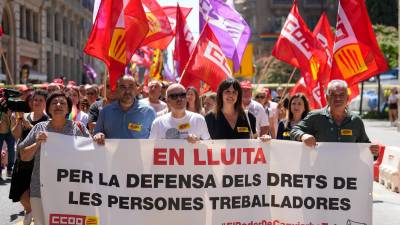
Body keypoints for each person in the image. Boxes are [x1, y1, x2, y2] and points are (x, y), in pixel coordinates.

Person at [18, 91, 90, 225]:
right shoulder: (40, 128)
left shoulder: (78, 128)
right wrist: (37, 144)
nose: (58, 105)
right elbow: (23, 156)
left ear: (68, 108)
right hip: (40, 190)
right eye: (54, 103)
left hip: (70, 191)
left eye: (62, 103)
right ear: (49, 108)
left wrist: (98, 139)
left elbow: (93, 155)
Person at [290, 80, 379, 154]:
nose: (338, 98)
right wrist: (303, 136)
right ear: (327, 98)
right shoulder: (315, 117)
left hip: (347, 173)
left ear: (347, 98)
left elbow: (365, 146)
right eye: (333, 95)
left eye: (341, 95)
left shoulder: (356, 121)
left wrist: (373, 150)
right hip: (320, 172)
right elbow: (294, 131)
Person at [9, 89, 48, 225]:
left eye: (40, 100)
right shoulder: (24, 115)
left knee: (34, 194)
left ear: (45, 103)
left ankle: (31, 214)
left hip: (37, 162)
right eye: (34, 100)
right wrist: (20, 120)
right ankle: (30, 211)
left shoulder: (47, 120)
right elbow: (16, 134)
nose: (36, 102)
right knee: (20, 194)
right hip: (22, 160)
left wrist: (30, 126)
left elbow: (43, 138)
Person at [93, 75, 156, 144]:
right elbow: (97, 132)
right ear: (117, 89)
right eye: (123, 87)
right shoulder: (105, 111)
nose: (127, 91)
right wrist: (98, 135)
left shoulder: (149, 112)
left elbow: (157, 139)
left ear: (136, 89)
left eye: (131, 86)